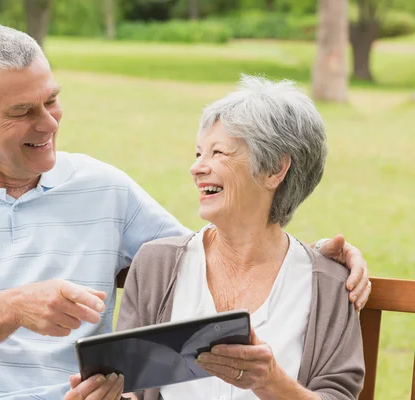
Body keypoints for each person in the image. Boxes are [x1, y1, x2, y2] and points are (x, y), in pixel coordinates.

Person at [0, 25, 369, 400]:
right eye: (23, 112)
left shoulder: (103, 189)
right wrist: (12, 307)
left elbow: (216, 256)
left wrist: (320, 257)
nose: (49, 123)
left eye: (52, 101)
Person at [65, 76, 366, 400]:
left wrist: (271, 382)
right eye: (198, 153)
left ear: (274, 170)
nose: (197, 168)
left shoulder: (330, 284)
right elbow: (134, 390)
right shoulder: (157, 265)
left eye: (218, 153)